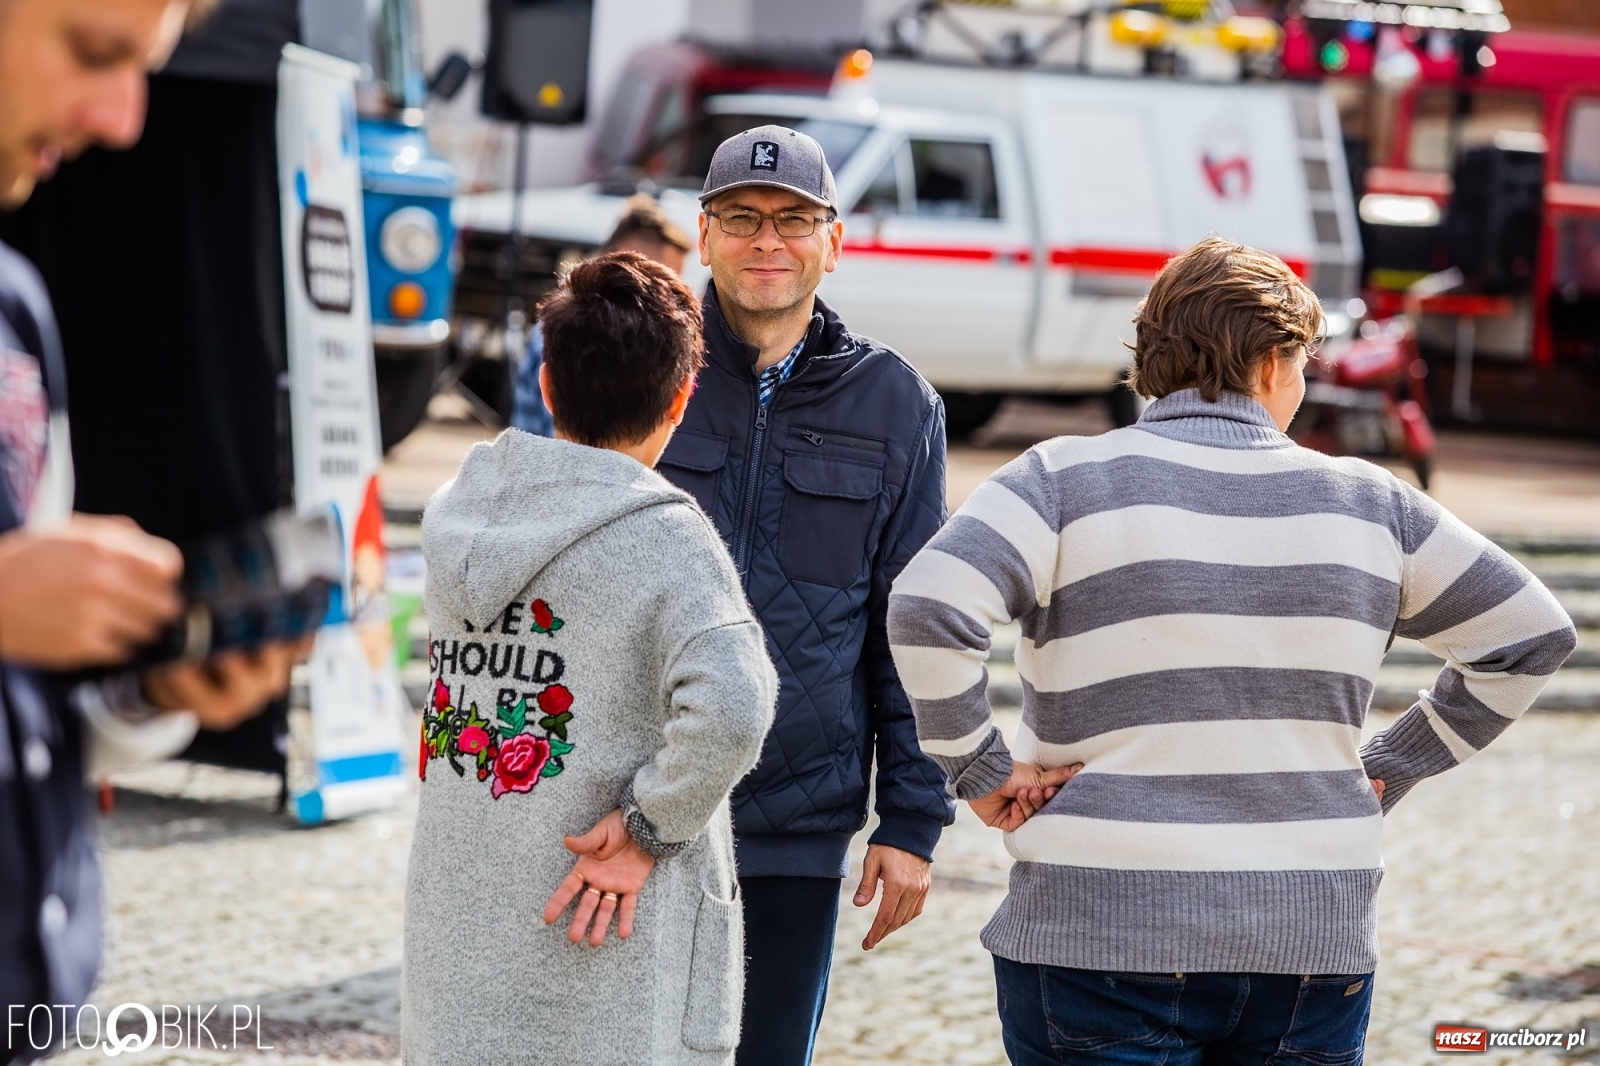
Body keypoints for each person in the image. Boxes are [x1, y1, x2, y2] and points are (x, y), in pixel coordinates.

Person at [887, 236, 1578, 1065]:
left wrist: (980, 769)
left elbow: (930, 603)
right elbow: (1530, 635)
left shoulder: (1060, 480)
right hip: (1308, 941)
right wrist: (1395, 760)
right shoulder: (1374, 503)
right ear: (1274, 361)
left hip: (1099, 934)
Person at [0, 1, 304, 1060]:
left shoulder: (17, 306)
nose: (126, 119)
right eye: (93, 53)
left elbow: (32, 705)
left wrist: (149, 694)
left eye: (145, 68)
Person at [403, 251, 777, 1065]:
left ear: (546, 386)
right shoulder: (667, 537)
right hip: (610, 951)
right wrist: (649, 828)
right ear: (681, 399)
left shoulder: (456, 515)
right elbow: (738, 703)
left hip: (461, 939)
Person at [650, 125, 955, 1065]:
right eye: (742, 217)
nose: (767, 241)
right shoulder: (644, 370)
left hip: (797, 830)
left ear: (834, 239)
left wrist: (910, 822)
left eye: (793, 220)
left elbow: (913, 629)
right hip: (639, 809)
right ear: (703, 235)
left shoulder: (897, 406)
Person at [510, 195, 693, 437]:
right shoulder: (577, 331)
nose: (669, 295)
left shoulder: (568, 321)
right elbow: (576, 440)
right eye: (661, 282)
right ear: (628, 267)